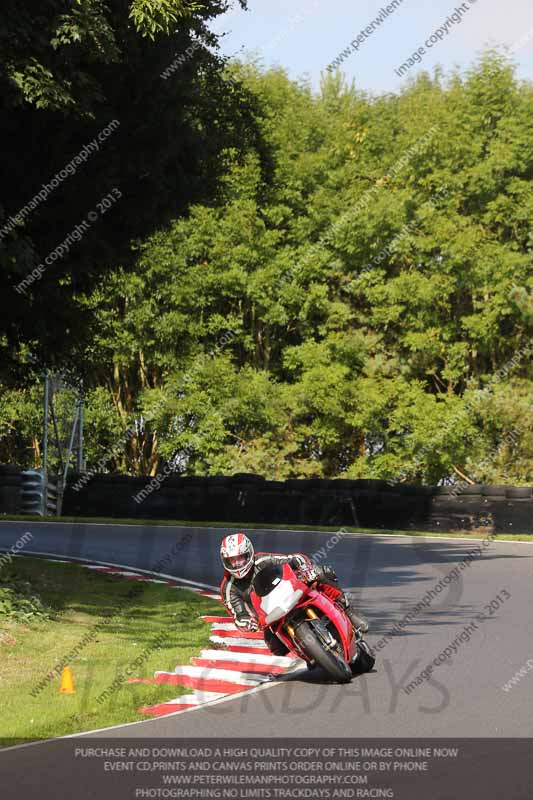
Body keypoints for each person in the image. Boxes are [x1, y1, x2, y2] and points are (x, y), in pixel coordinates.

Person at [219, 532, 368, 657]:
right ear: (225, 562)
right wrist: (245, 621)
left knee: (322, 573)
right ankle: (308, 654)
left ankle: (347, 609)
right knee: (276, 648)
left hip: (290, 593)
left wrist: (305, 568)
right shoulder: (228, 588)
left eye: (240, 558)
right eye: (232, 561)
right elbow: (238, 613)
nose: (237, 564)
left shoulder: (263, 560)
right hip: (270, 616)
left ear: (249, 554)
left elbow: (294, 559)